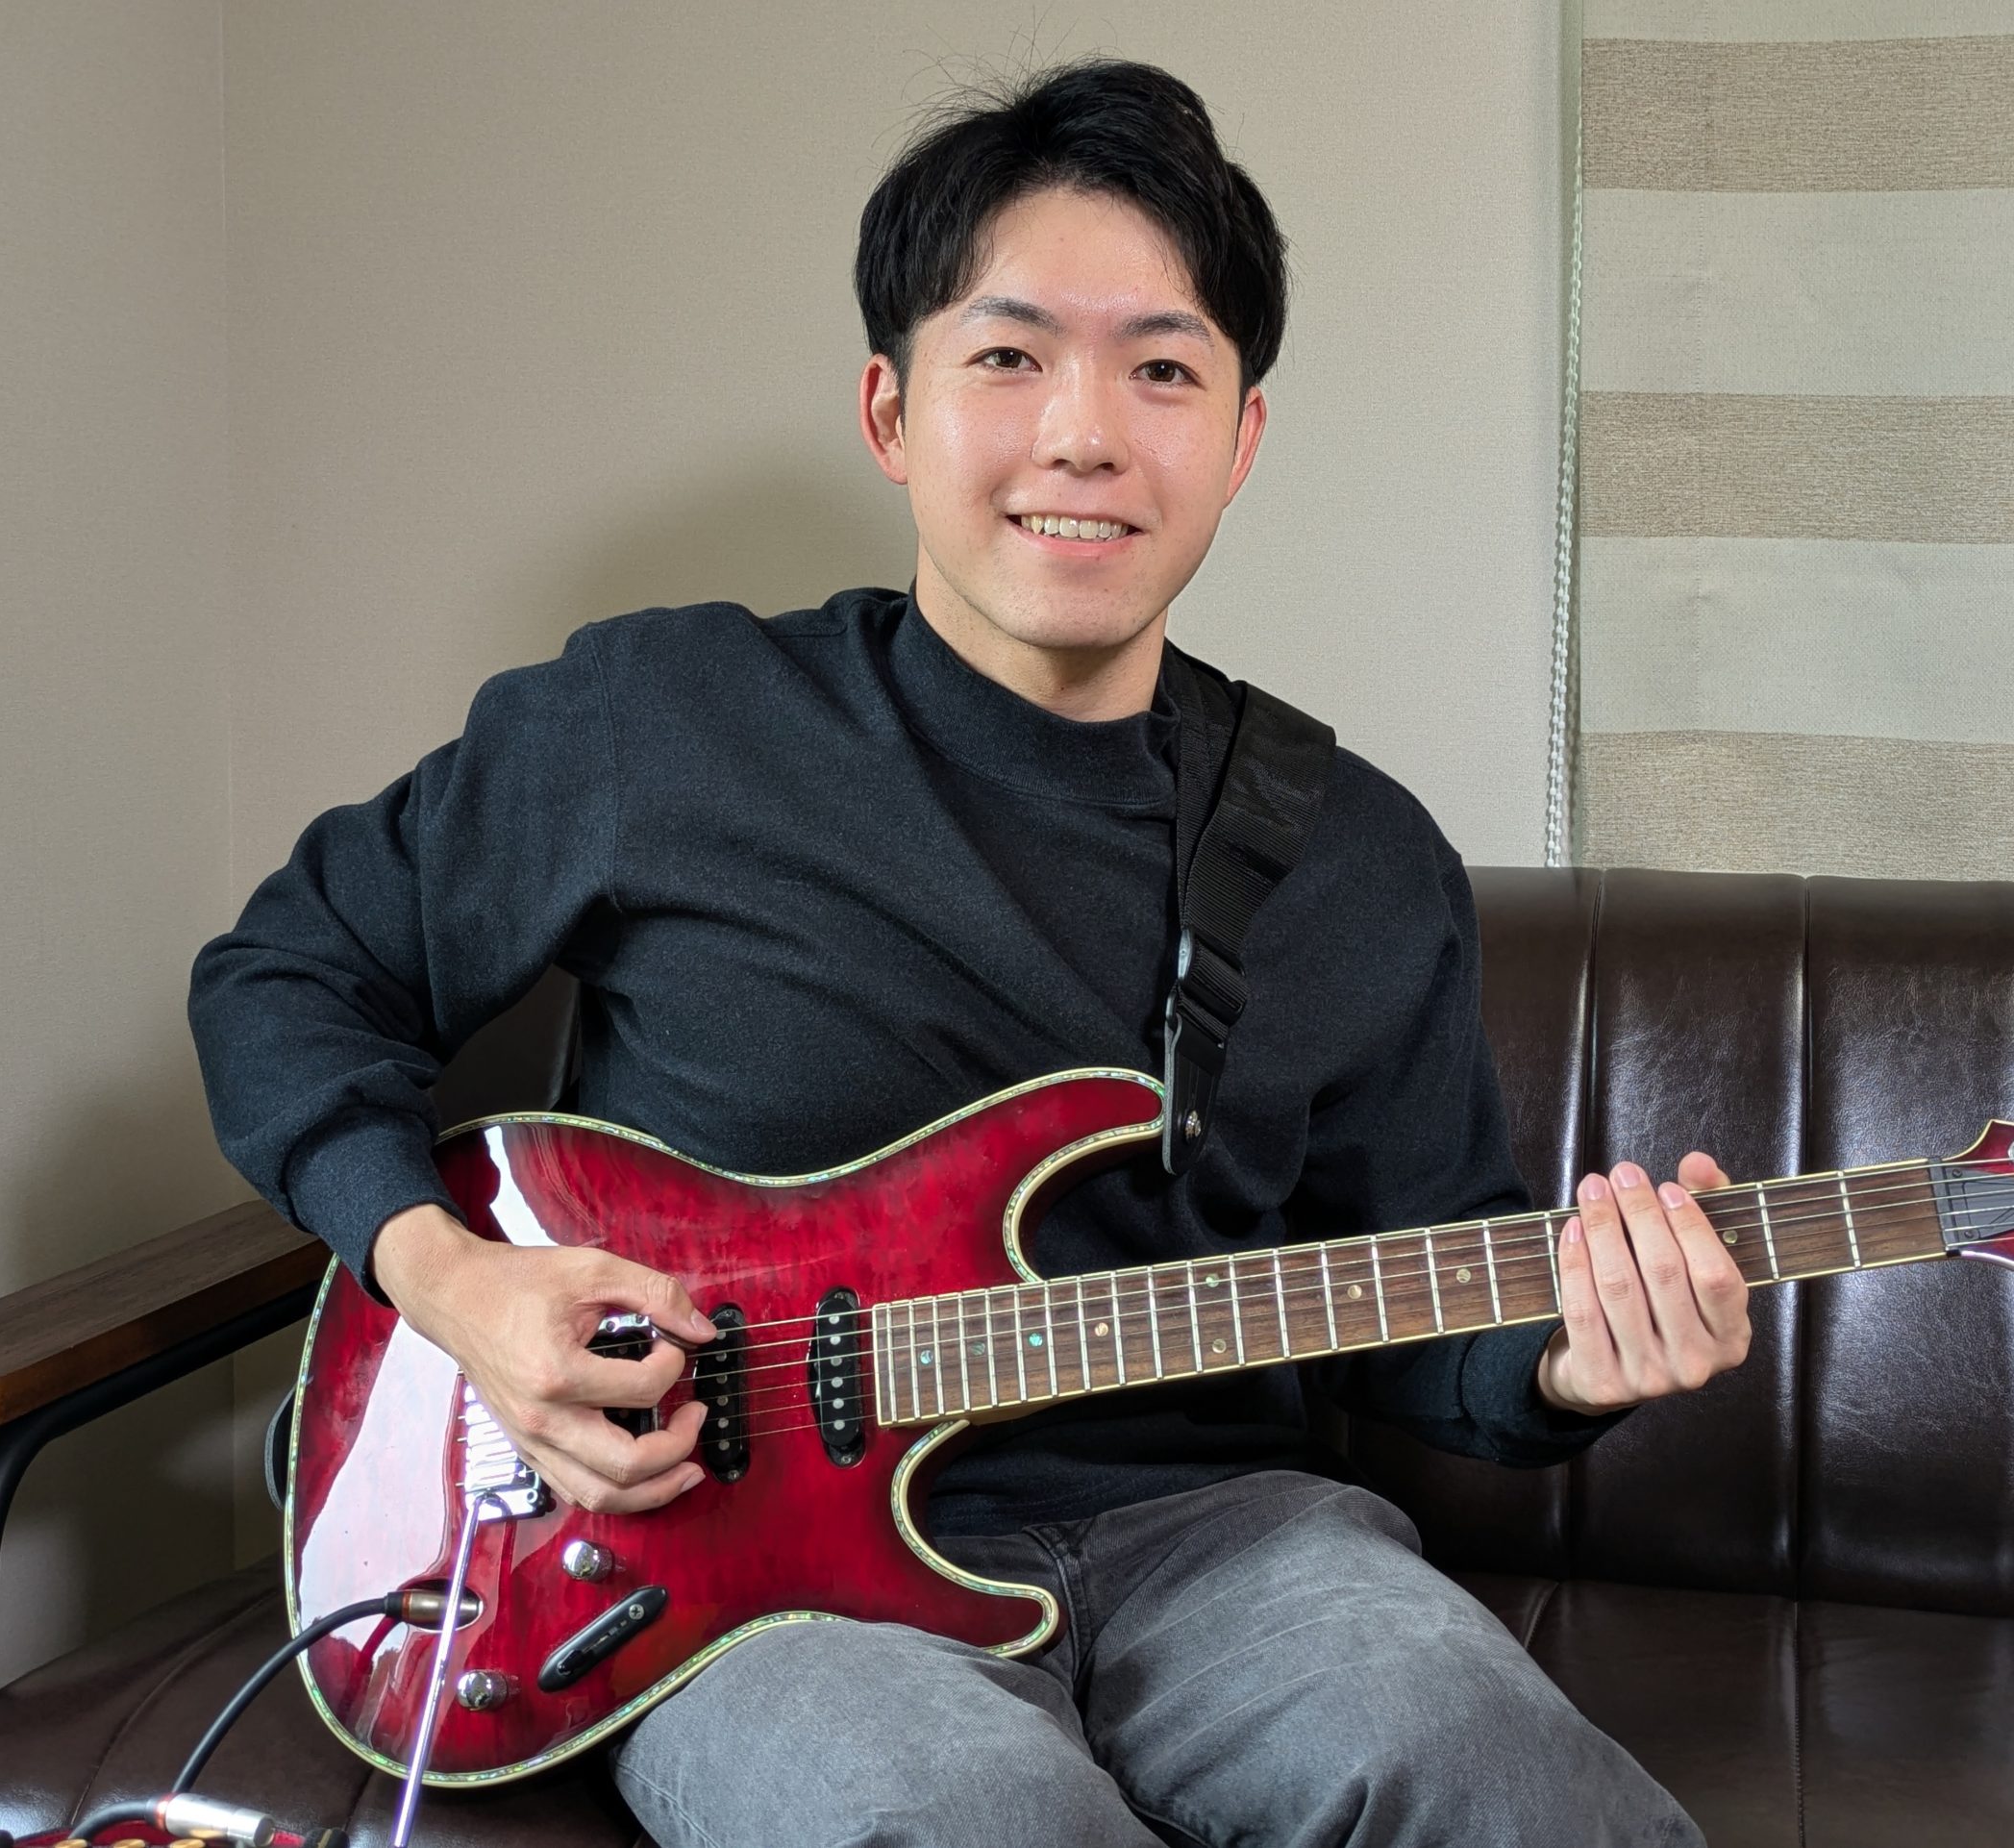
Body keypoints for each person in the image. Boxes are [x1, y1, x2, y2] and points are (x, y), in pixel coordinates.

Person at [190, 58, 1748, 1848]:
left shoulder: (1356, 858)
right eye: (1009, 357)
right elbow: (285, 977)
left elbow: (1434, 1312)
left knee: (1518, 1784)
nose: (1084, 435)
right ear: (891, 408)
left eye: (1163, 370)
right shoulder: (663, 721)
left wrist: (1569, 1361)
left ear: (1242, 437)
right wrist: (452, 1281)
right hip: (750, 1582)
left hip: (1226, 1547)